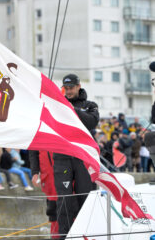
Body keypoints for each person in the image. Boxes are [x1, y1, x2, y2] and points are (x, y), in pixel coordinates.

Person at [54, 74, 99, 239]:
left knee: (86, 198)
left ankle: (86, 235)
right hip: (62, 156)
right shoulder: (57, 105)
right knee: (64, 201)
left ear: (79, 86)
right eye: (66, 88)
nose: (69, 91)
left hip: (83, 156)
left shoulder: (90, 105)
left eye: (72, 87)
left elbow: (91, 122)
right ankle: (64, 236)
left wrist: (72, 110)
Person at [29, 150, 58, 238]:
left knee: (71, 205)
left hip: (66, 170)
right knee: (53, 207)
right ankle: (56, 235)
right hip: (48, 174)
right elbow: (33, 153)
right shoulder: (36, 137)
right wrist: (34, 172)